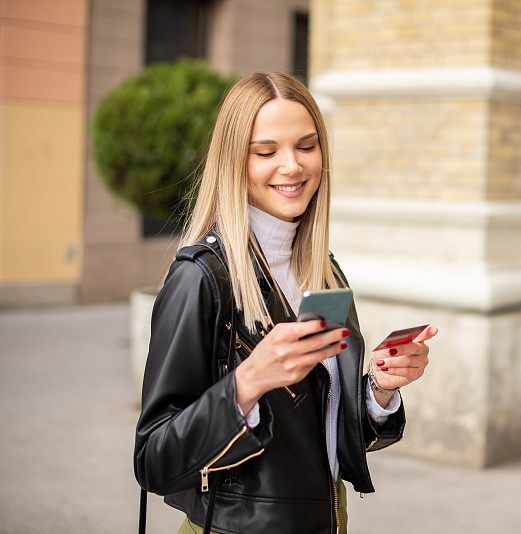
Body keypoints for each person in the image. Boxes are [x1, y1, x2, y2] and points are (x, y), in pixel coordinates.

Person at [133, 72, 438, 534]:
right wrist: (246, 384)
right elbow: (154, 460)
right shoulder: (201, 278)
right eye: (266, 151)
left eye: (306, 146)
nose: (292, 166)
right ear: (235, 161)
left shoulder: (323, 270)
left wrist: (379, 388)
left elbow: (325, 435)